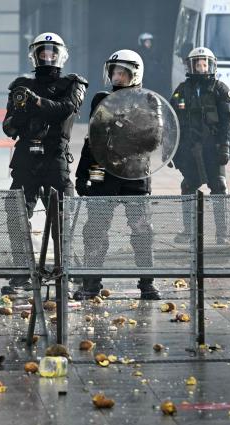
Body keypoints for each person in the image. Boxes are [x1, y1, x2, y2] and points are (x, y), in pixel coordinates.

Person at [0, 32, 87, 295]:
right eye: (42, 52)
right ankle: (21, 274)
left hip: (55, 157)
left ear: (61, 55)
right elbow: (8, 127)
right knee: (16, 215)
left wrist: (35, 102)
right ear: (34, 55)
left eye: (51, 52)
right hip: (26, 157)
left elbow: (64, 109)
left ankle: (65, 272)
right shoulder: (20, 85)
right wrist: (22, 112)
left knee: (62, 216)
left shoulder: (73, 83)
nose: (47, 56)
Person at [73, 49, 161, 301]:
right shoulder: (101, 99)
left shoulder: (149, 101)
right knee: (95, 229)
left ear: (134, 74)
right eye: (114, 72)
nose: (117, 77)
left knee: (143, 230)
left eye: (122, 72)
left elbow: (153, 140)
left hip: (135, 174)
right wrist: (82, 173)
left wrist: (125, 124)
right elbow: (92, 140)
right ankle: (91, 283)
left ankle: (147, 283)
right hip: (105, 172)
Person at [170, 47, 230, 245]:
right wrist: (172, 150)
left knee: (219, 186)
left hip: (212, 148)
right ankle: (189, 232)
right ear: (190, 66)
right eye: (197, 63)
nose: (201, 67)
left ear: (211, 64)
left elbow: (228, 121)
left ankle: (222, 234)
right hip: (190, 148)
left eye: (204, 63)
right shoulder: (182, 90)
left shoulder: (220, 89)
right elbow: (172, 118)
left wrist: (224, 146)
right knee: (188, 185)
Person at [137, 32, 168, 97]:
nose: (149, 44)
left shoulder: (155, 52)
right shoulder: (139, 53)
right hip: (144, 79)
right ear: (142, 43)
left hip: (154, 79)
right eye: (146, 42)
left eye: (150, 42)